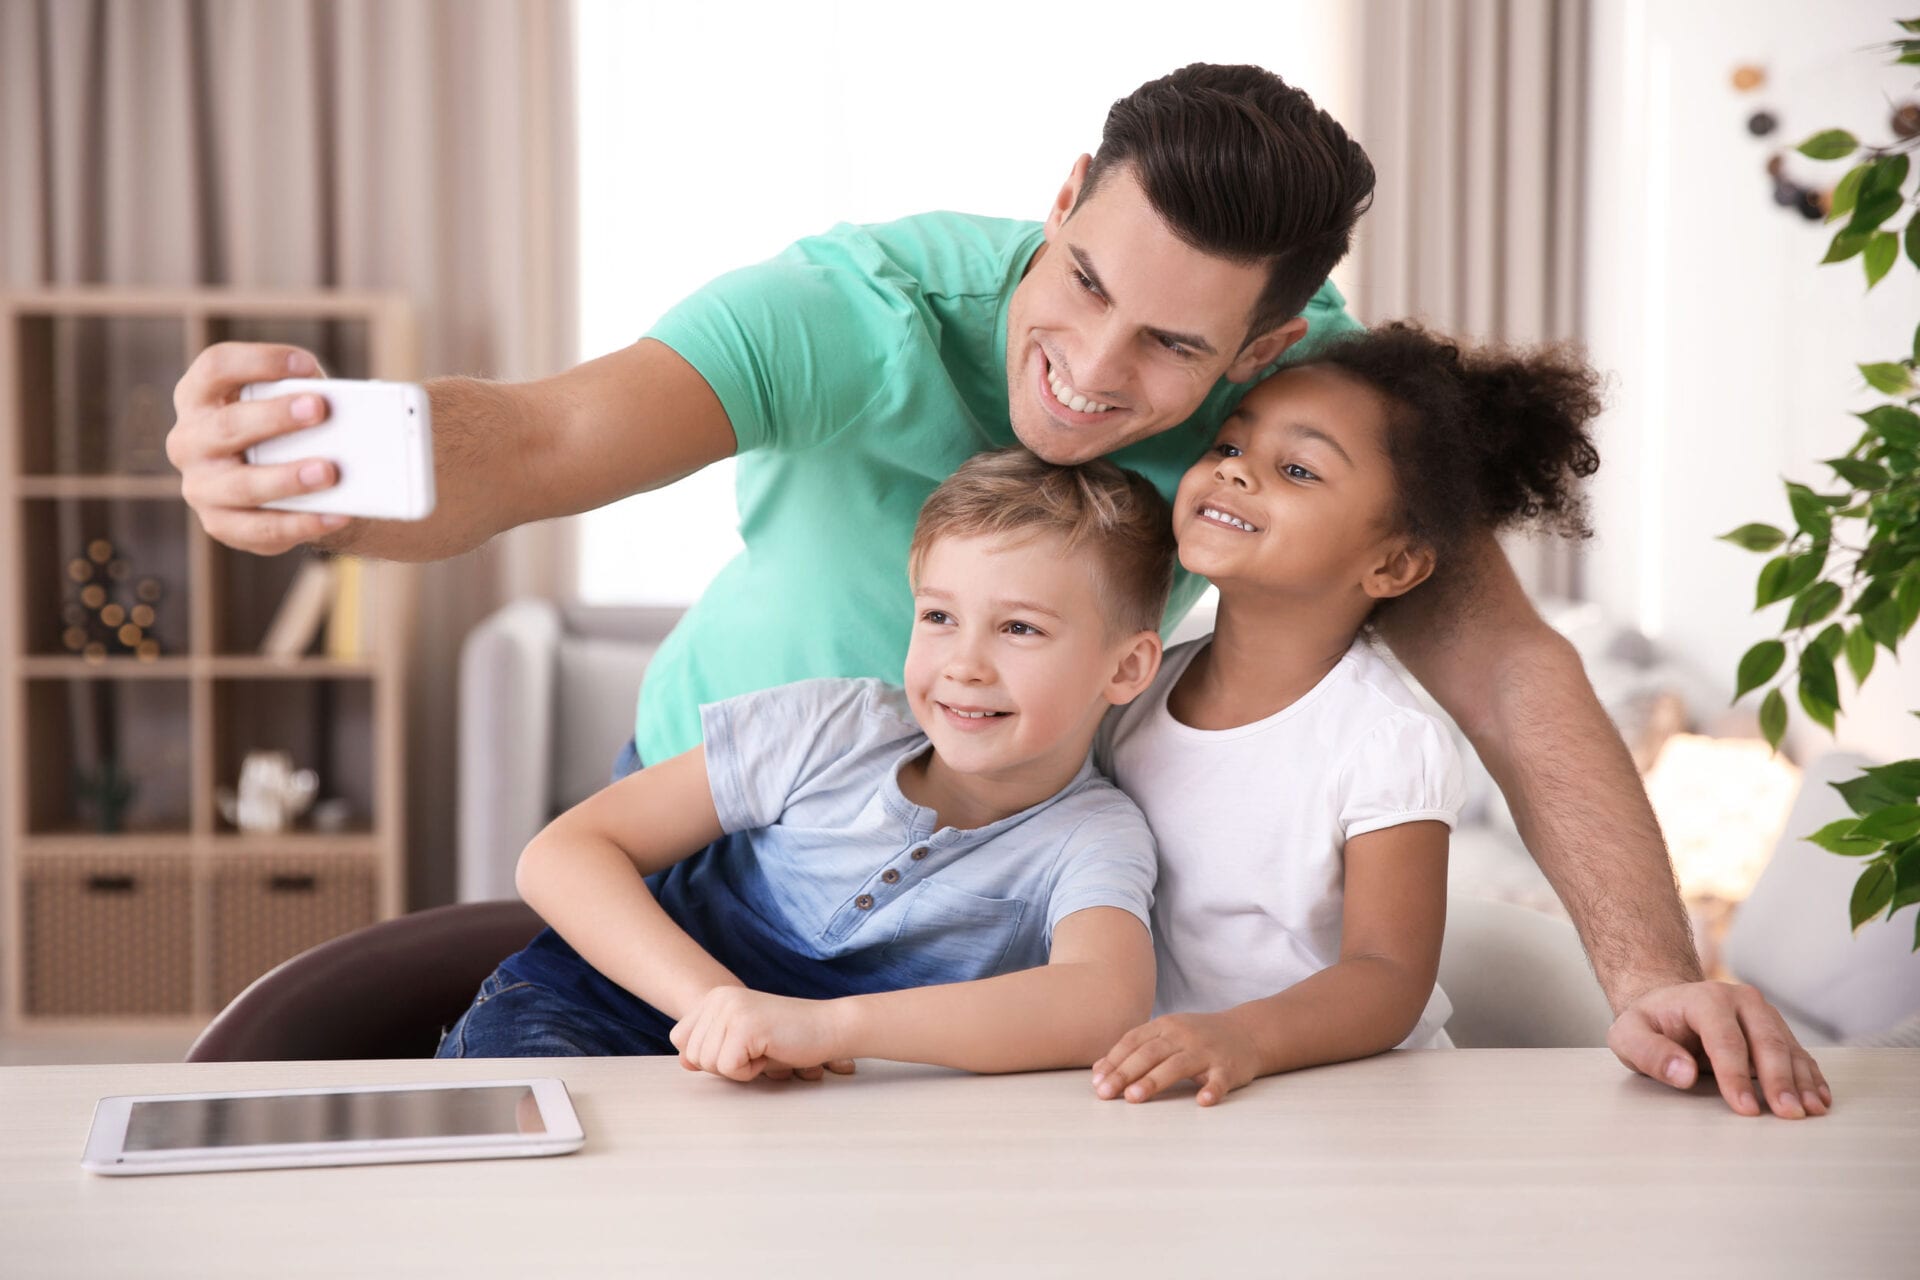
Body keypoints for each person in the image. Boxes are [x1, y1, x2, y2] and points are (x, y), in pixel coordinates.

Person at [168, 63, 1826, 1115]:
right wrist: (309, 479)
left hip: (991, 906)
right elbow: (534, 445)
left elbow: (1514, 677)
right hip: (728, 835)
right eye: (1085, 280)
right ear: (1059, 202)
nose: (1092, 371)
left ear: (1264, 346)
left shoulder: (1305, 425)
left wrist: (1654, 975)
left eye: (1173, 345)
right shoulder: (849, 307)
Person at [1083, 325, 1703, 1106]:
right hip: (1172, 1093)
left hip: (1346, 1103)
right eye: (1230, 448)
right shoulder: (1131, 691)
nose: (1235, 476)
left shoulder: (1385, 741)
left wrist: (1242, 1035)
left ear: (1394, 564)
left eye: (1298, 469)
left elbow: (1388, 979)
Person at [437, 449, 1172, 1077]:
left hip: (815, 1087)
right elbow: (561, 853)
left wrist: (828, 1029)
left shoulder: (1094, 833)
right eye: (939, 617)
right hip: (582, 1014)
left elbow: (1102, 1001)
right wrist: (722, 1009)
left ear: (1127, 668)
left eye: (1019, 628)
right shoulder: (828, 726)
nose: (964, 665)